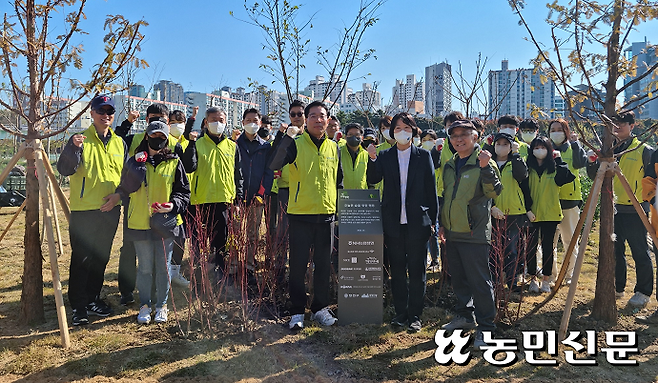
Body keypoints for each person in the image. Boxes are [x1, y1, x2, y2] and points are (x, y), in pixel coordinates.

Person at [269, 101, 343, 330]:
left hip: (326, 215)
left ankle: (320, 309)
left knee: (323, 265)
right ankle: (297, 311)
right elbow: (275, 163)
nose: (318, 120)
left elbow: (337, 179)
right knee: (298, 265)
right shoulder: (295, 144)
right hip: (300, 214)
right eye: (313, 116)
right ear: (305, 120)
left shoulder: (334, 147)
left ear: (328, 120)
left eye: (322, 116)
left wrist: (335, 207)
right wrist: (286, 138)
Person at [57, 94, 127, 326]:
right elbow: (65, 170)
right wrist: (72, 149)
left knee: (101, 257)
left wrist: (119, 197)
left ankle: (93, 298)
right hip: (84, 210)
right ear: (92, 113)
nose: (105, 115)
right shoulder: (79, 139)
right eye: (101, 111)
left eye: (109, 112)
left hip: (110, 210)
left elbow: (127, 176)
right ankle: (78, 306)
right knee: (82, 258)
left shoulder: (119, 142)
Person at [112, 121, 190, 324]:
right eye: (154, 135)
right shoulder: (134, 161)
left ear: (166, 139)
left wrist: (173, 205)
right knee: (145, 267)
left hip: (165, 223)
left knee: (163, 267)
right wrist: (138, 166)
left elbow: (183, 193)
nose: (158, 140)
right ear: (146, 136)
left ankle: (161, 305)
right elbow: (126, 187)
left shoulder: (174, 162)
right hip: (139, 223)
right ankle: (145, 305)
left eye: (162, 136)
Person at [366, 112, 437, 332]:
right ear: (391, 132)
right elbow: (373, 179)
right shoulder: (385, 155)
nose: (401, 132)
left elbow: (431, 192)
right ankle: (400, 313)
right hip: (393, 223)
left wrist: (433, 222)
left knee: (417, 271)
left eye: (406, 128)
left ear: (414, 131)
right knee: (396, 270)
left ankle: (415, 315)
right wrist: (372, 159)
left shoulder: (423, 156)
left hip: (418, 223)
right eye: (397, 128)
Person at [439, 119, 502, 349]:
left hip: (474, 233)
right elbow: (448, 198)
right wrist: (443, 224)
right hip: (453, 231)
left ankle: (486, 327)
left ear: (475, 136)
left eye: (464, 134)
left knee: (480, 281)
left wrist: (486, 168)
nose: (459, 139)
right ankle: (465, 316)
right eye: (454, 135)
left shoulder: (484, 162)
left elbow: (494, 191)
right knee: (459, 278)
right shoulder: (449, 164)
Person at [587, 110, 654, 308]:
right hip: (612, 208)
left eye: (622, 124)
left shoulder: (643, 150)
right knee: (614, 252)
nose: (617, 128)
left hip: (635, 210)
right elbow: (594, 175)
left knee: (640, 252)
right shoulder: (607, 148)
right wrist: (593, 161)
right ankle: (617, 288)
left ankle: (643, 292)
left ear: (632, 126)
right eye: (614, 124)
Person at [186, 106, 244, 280]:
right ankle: (198, 276)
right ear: (206, 122)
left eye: (221, 120)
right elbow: (190, 167)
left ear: (226, 122)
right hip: (200, 200)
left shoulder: (232, 146)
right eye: (213, 120)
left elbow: (238, 175)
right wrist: (190, 144)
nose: (217, 123)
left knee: (221, 242)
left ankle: (220, 274)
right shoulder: (197, 144)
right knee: (198, 242)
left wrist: (238, 200)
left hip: (224, 201)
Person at [525, 136, 575, 294]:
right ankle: (532, 278)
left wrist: (559, 160)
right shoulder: (528, 168)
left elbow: (565, 178)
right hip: (531, 214)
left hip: (551, 214)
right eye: (536, 148)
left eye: (543, 147)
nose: (539, 151)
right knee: (530, 248)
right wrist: (527, 209)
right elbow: (524, 190)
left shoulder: (554, 168)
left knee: (548, 248)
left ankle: (546, 280)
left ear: (549, 149)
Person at [234, 108, 274, 283]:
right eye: (248, 120)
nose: (252, 123)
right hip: (237, 196)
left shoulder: (265, 147)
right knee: (235, 233)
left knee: (252, 234)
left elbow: (269, 172)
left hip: (256, 197)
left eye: (255, 120)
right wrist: (235, 195)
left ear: (260, 123)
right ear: (242, 123)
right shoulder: (234, 144)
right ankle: (234, 266)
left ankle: (249, 266)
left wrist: (261, 194)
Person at [489, 132, 532, 291]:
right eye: (498, 144)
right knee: (493, 248)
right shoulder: (489, 163)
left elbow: (522, 176)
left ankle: (512, 282)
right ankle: (495, 280)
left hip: (514, 211)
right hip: (493, 212)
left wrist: (515, 154)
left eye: (505, 144)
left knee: (512, 249)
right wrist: (492, 206)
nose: (501, 147)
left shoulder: (516, 161)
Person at [548, 118, 587, 285]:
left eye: (560, 129)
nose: (556, 132)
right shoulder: (545, 149)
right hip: (548, 201)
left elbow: (580, 163)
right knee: (549, 242)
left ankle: (570, 275)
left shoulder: (573, 148)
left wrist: (576, 143)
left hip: (569, 200)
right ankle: (550, 275)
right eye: (553, 129)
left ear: (566, 132)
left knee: (569, 240)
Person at [271, 100, 306, 283]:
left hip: (306, 192)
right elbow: (274, 159)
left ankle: (302, 272)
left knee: (303, 234)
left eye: (300, 114)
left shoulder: (310, 136)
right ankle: (279, 270)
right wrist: (282, 136)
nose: (297, 117)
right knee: (283, 232)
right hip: (285, 190)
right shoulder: (286, 136)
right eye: (293, 114)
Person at [420, 129, 441, 269]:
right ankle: (427, 258)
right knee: (424, 230)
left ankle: (435, 259)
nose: (428, 142)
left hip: (438, 195)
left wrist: (436, 151)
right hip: (421, 197)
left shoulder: (439, 152)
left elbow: (436, 164)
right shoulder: (418, 154)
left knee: (435, 230)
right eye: (424, 139)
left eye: (430, 139)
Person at [341, 123, 370, 190]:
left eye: (357, 135)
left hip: (361, 195)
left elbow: (370, 179)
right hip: (342, 195)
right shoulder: (338, 153)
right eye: (350, 135)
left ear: (362, 138)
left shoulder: (367, 155)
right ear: (345, 137)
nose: (353, 137)